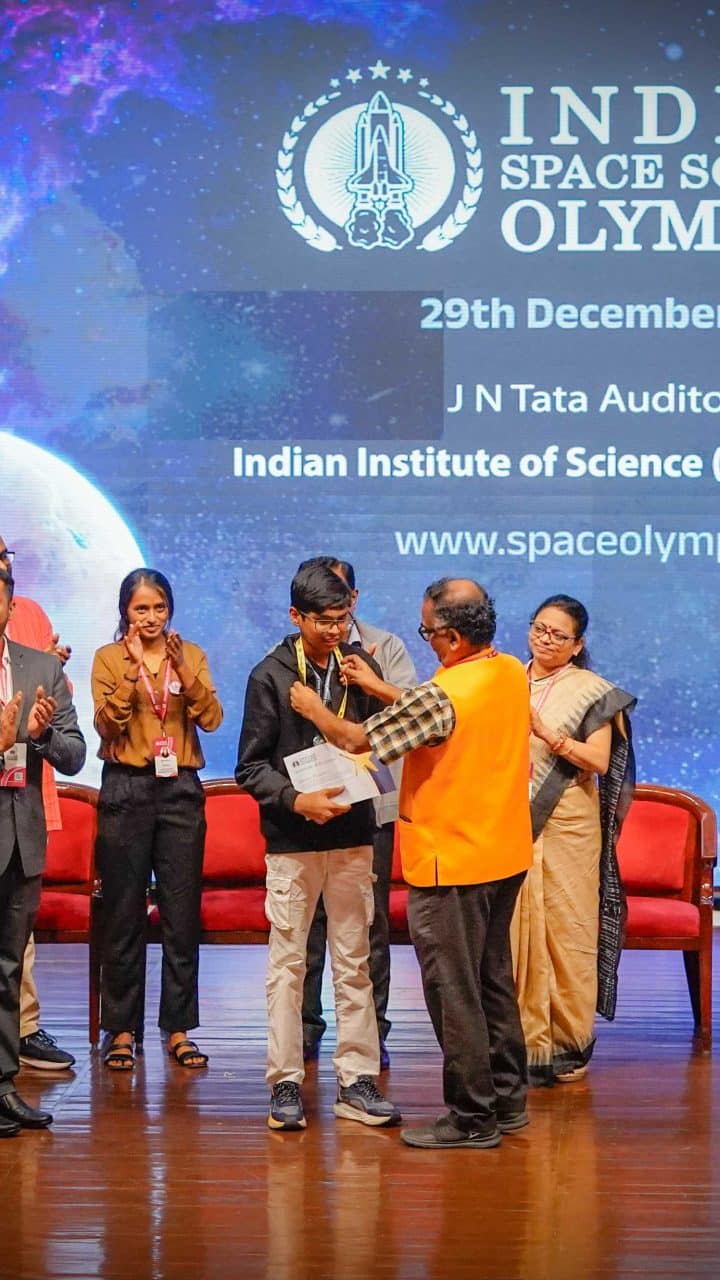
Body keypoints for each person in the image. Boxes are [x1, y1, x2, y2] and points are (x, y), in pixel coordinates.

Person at [289, 577, 533, 1149]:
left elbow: (358, 740)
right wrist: (379, 685)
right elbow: (435, 717)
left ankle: (471, 1117)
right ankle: (507, 1099)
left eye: (427, 632)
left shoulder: (441, 695)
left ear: (452, 638)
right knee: (492, 981)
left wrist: (315, 709)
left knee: (453, 990)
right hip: (503, 852)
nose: (426, 640)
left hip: (452, 861)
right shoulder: (507, 671)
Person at [235, 562, 400, 1131]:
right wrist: (294, 799)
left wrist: (371, 689)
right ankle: (284, 1082)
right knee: (288, 965)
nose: (335, 631)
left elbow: (382, 742)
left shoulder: (360, 668)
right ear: (295, 617)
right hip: (293, 840)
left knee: (355, 961)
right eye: (323, 621)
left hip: (354, 835)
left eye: (342, 619)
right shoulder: (270, 675)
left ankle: (357, 1080)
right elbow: (249, 767)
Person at [91, 568, 222, 1072]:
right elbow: (108, 725)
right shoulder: (108, 658)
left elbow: (211, 718)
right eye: (140, 608)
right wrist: (131, 672)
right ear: (125, 611)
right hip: (126, 788)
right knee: (123, 913)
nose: (151, 617)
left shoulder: (190, 655)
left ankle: (179, 1028)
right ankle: (121, 1030)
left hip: (180, 792)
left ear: (170, 610)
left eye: (159, 607)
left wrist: (182, 670)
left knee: (180, 915)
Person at [511, 594, 636, 1085]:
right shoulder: (507, 678)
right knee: (515, 931)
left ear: (577, 644)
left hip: (568, 823)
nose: (545, 640)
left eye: (558, 635)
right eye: (539, 629)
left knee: (566, 931)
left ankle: (567, 1045)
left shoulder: (590, 691)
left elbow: (599, 761)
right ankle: (522, 1044)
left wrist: (547, 733)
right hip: (510, 821)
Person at [298, 556, 417, 1070]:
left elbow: (413, 713)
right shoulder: (292, 654)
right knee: (309, 925)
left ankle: (372, 1031)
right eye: (322, 607)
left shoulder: (384, 647)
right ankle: (304, 1029)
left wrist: (370, 680)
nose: (334, 616)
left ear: (354, 599)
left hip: (372, 805)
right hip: (313, 804)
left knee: (370, 925)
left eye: (341, 601)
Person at [0, 566, 86, 1136]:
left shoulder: (41, 668)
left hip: (20, 840)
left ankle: (4, 1086)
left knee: (8, 970)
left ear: (10, 606)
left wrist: (40, 734)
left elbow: (75, 754)